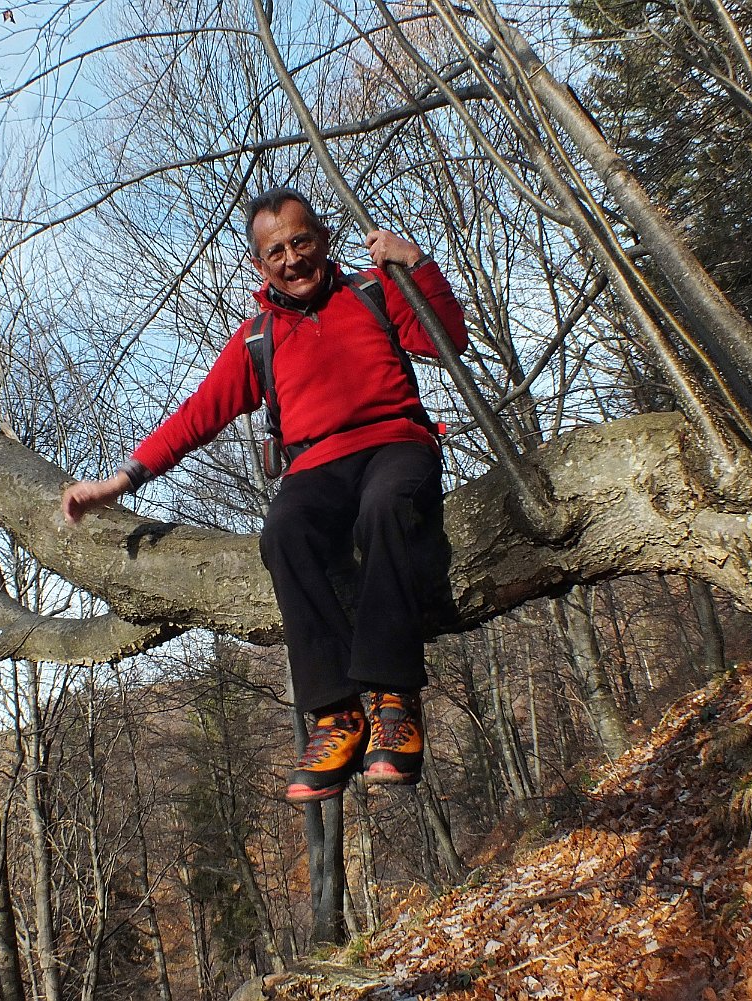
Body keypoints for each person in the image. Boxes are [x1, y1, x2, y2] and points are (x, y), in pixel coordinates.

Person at [62, 187, 467, 802]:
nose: (292, 258)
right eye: (275, 249)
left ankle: (395, 700)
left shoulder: (373, 292)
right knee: (283, 533)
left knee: (388, 507)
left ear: (324, 240)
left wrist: (416, 264)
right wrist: (122, 480)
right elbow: (199, 415)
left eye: (302, 240)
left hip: (395, 444)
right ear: (259, 264)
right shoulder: (258, 340)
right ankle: (337, 715)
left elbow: (445, 340)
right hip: (315, 468)